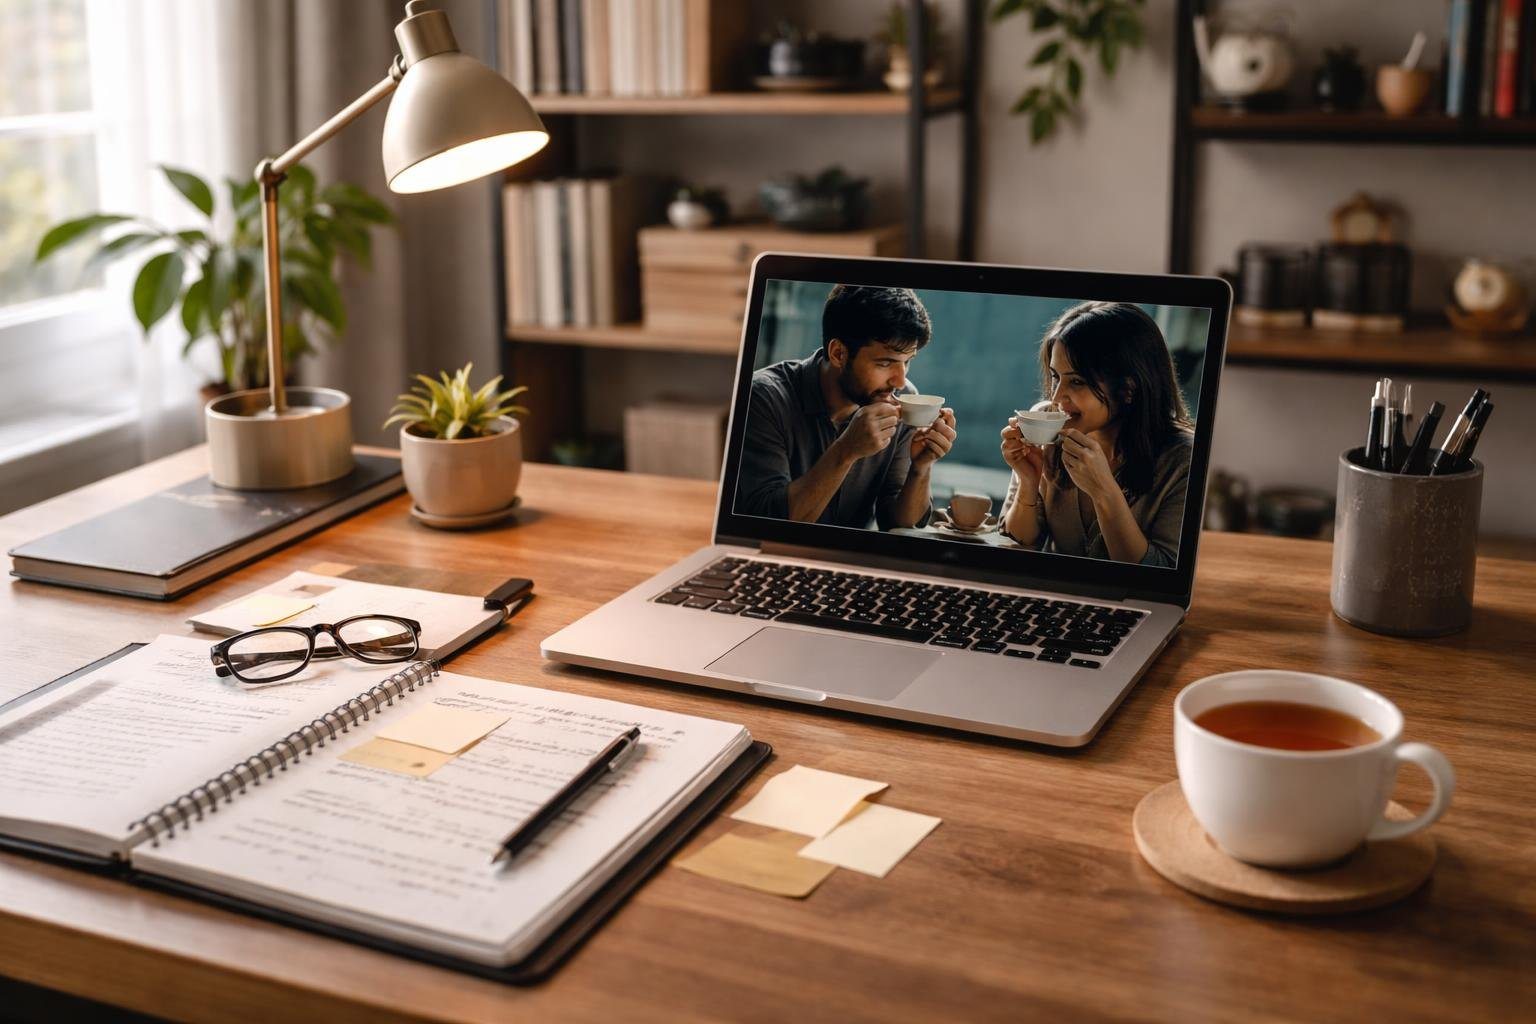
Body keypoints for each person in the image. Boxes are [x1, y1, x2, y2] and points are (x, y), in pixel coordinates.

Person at [736, 284, 958, 530]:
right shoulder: (764, 398)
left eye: (907, 362)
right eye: (885, 363)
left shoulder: (903, 398)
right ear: (839, 353)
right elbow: (768, 524)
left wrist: (921, 467)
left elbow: (897, 524)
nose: (899, 380)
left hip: (853, 561)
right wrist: (846, 450)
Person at [999, 301, 1194, 566]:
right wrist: (1028, 483)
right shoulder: (1047, 424)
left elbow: (1159, 576)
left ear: (1127, 389)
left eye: (1077, 381)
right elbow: (1016, 547)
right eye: (1056, 377)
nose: (1056, 397)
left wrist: (1104, 491)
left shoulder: (1183, 459)